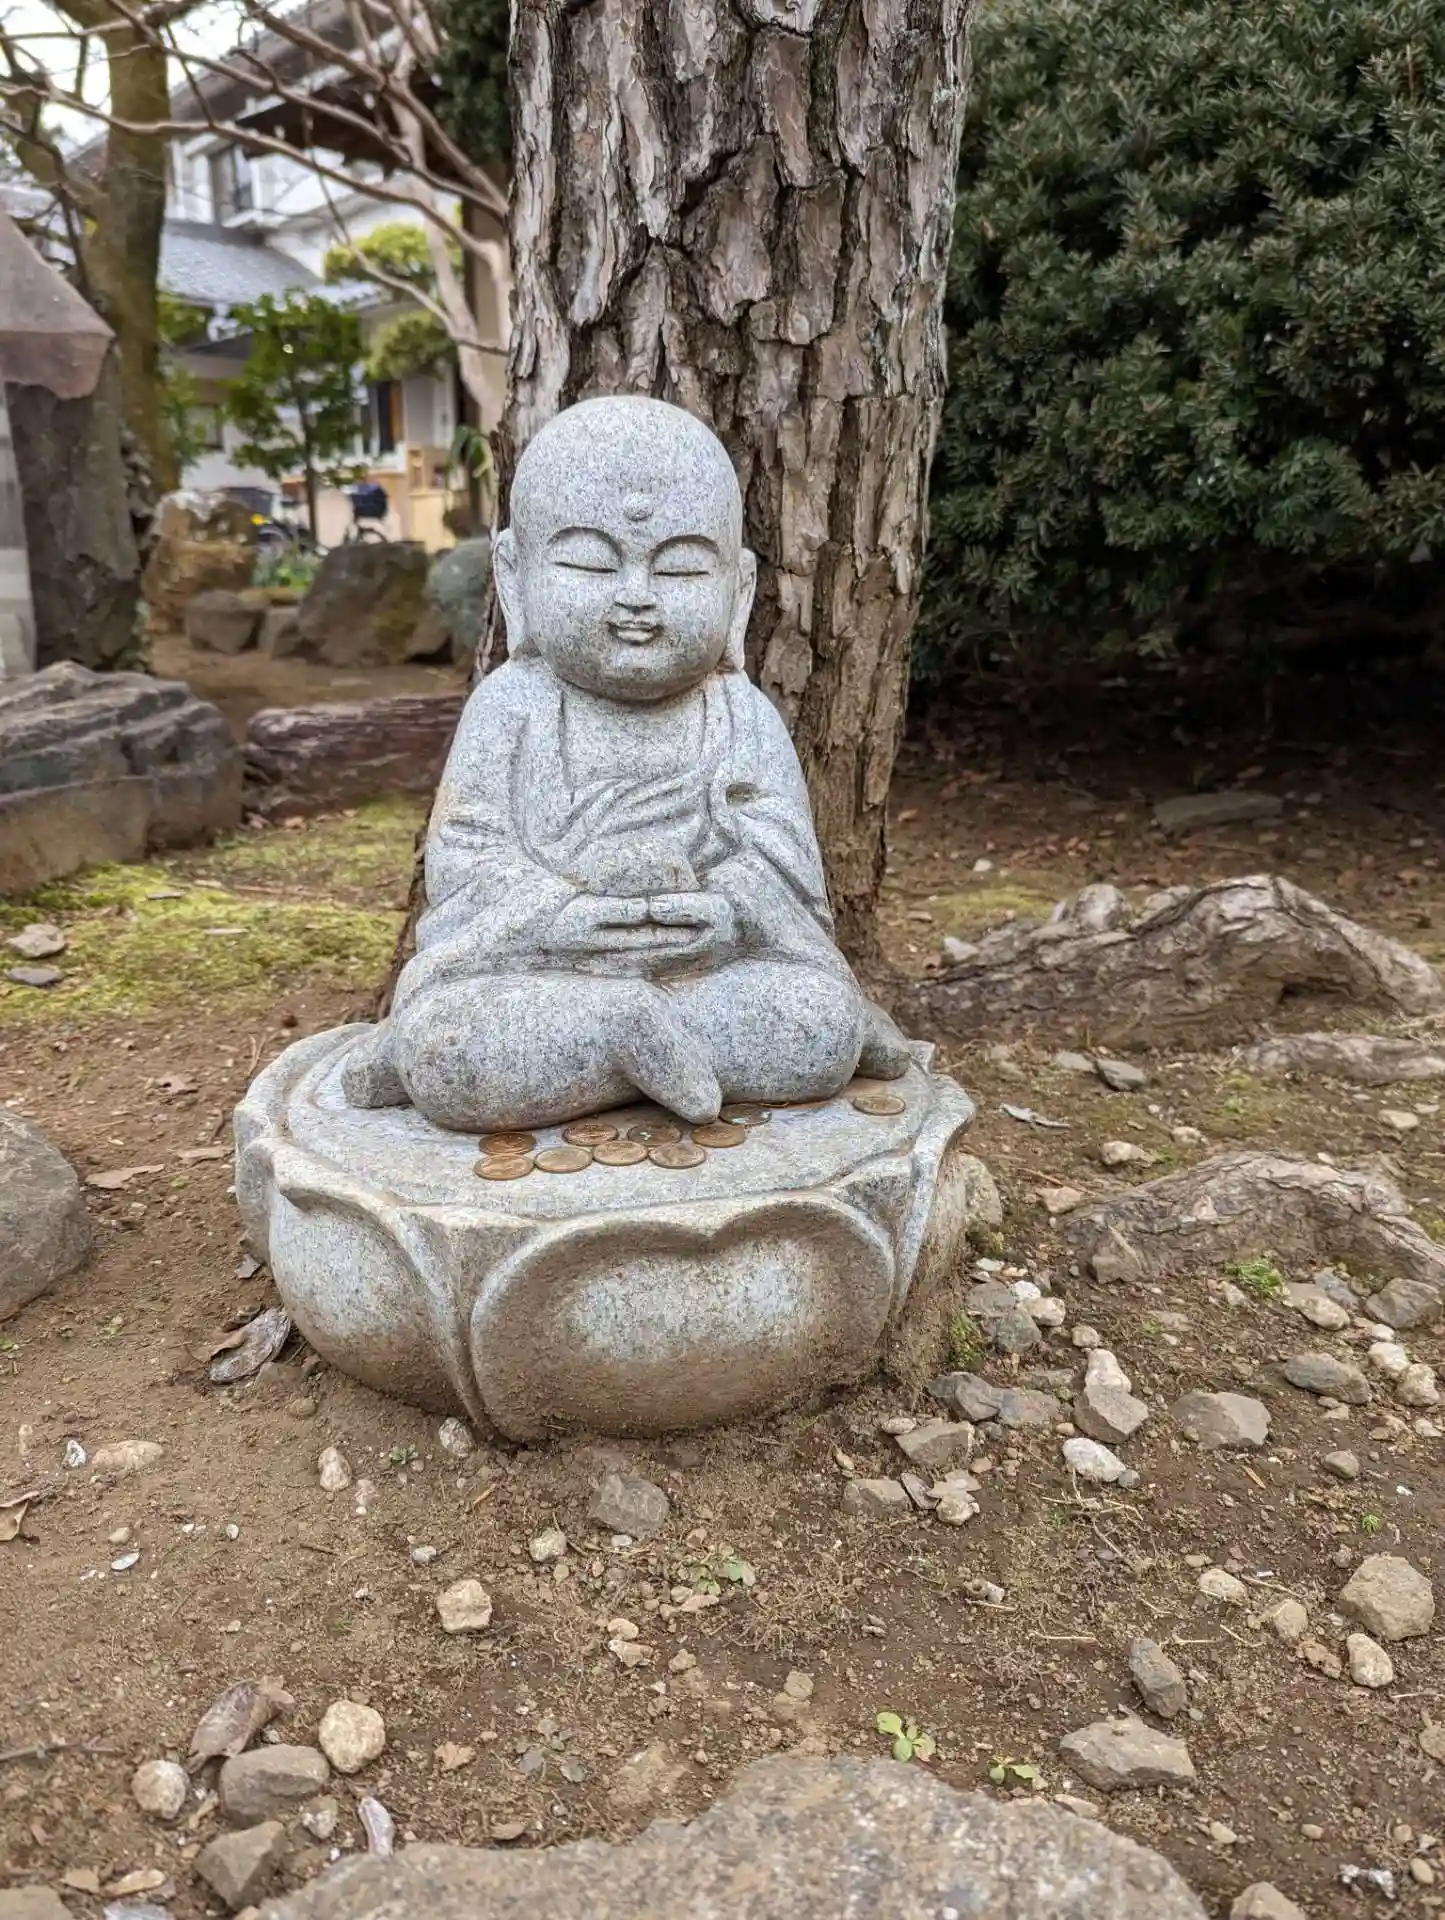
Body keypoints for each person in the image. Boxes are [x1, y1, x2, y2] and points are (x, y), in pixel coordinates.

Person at [343, 395, 909, 1132]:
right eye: (590, 561)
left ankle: (623, 1048)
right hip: (545, 975)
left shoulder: (740, 716)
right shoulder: (511, 708)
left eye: (679, 570)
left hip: (706, 975)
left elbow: (784, 874)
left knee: (815, 1021)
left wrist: (727, 910)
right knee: (452, 1049)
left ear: (738, 591)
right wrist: (563, 915)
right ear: (514, 577)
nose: (636, 598)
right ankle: (619, 1031)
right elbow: (468, 865)